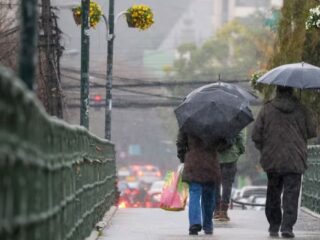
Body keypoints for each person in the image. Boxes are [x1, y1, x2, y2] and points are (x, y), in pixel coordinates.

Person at [252, 86, 317, 238]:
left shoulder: (267, 109)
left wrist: (264, 149)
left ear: (278, 91)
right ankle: (287, 227)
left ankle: (274, 225)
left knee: (273, 192)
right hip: (295, 158)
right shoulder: (301, 109)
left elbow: (256, 135)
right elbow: (312, 131)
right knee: (291, 194)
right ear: (292, 91)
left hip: (272, 158)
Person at [176, 130, 221, 235]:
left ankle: (194, 223)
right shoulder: (216, 123)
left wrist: (183, 157)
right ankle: (208, 225)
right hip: (211, 163)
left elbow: (180, 142)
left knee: (194, 193)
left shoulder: (188, 123)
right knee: (209, 196)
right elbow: (224, 144)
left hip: (193, 162)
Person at [214, 132, 245, 221]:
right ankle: (223, 211)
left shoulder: (213, 122)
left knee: (216, 184)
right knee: (227, 185)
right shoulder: (233, 122)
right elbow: (239, 138)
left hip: (216, 158)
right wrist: (240, 151)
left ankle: (216, 210)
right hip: (231, 157)